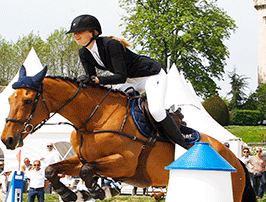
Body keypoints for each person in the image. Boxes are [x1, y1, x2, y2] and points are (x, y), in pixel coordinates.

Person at [67, 14, 188, 149]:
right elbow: (92, 79)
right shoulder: (84, 53)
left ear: (92, 32)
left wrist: (96, 80)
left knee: (156, 110)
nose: (75, 35)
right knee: (110, 105)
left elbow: (120, 77)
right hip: (131, 80)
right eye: (74, 33)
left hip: (151, 76)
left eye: (79, 32)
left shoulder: (111, 45)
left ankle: (182, 143)